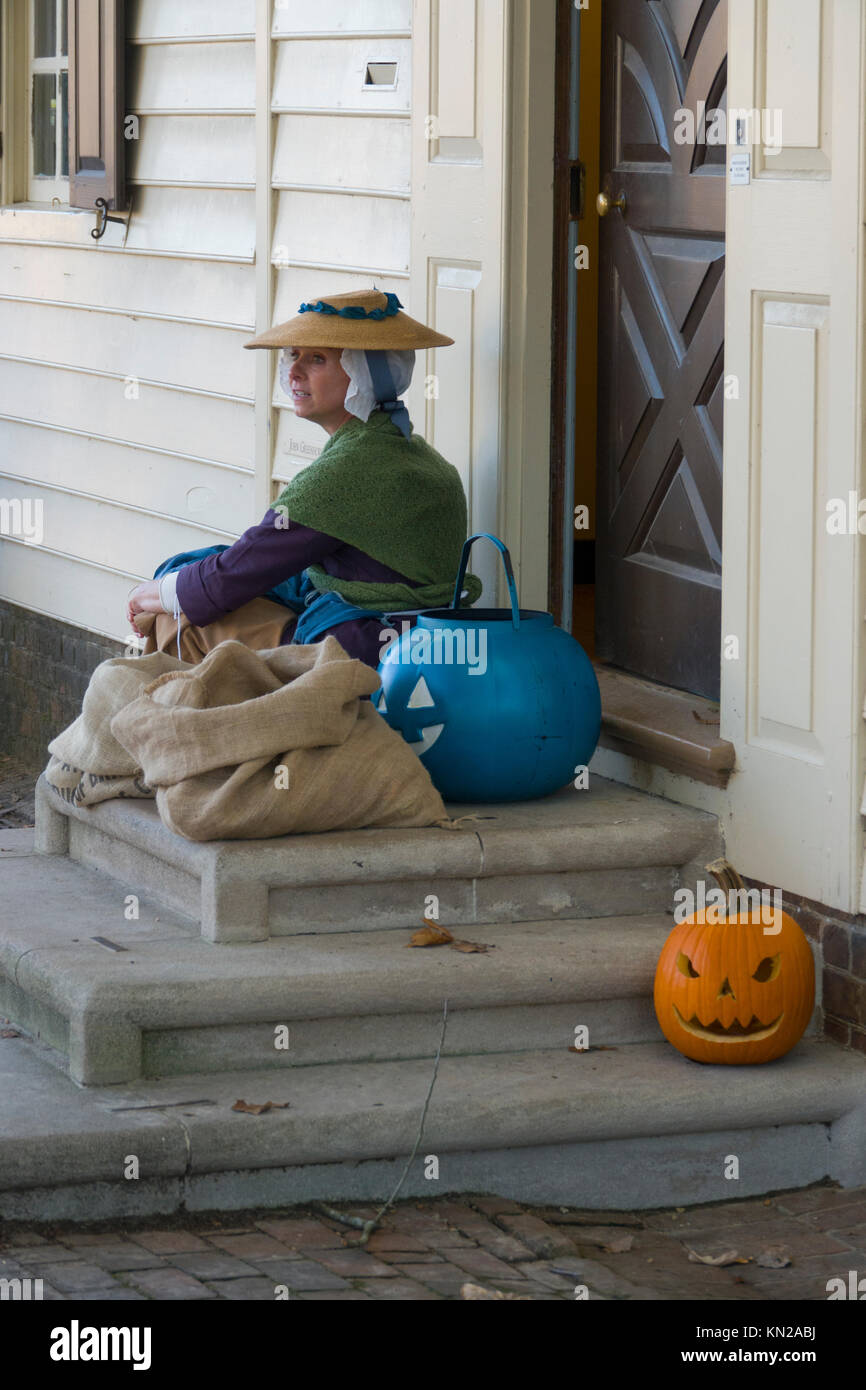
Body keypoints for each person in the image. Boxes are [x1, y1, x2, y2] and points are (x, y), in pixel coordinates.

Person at [127, 289, 481, 669]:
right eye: (293, 355)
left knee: (178, 617)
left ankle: (180, 723)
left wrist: (147, 595)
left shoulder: (351, 469)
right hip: (418, 642)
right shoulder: (410, 451)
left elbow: (234, 574)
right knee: (190, 583)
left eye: (317, 359)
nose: (294, 372)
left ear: (366, 374)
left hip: (364, 652)